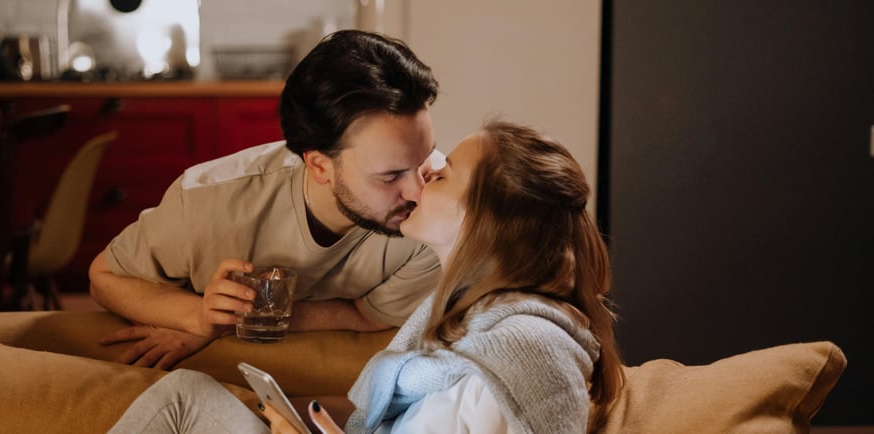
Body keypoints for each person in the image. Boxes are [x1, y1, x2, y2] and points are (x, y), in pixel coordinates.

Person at [110, 120, 626, 433]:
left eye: (439, 173)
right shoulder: (467, 317)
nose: (420, 179)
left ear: (481, 216)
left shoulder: (525, 349)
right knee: (189, 395)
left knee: (181, 401)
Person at [88, 30, 444, 369]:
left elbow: (367, 315)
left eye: (425, 157)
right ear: (320, 166)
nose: (419, 192)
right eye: (390, 175)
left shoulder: (439, 220)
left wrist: (231, 323)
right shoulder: (208, 202)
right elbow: (105, 276)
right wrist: (196, 317)